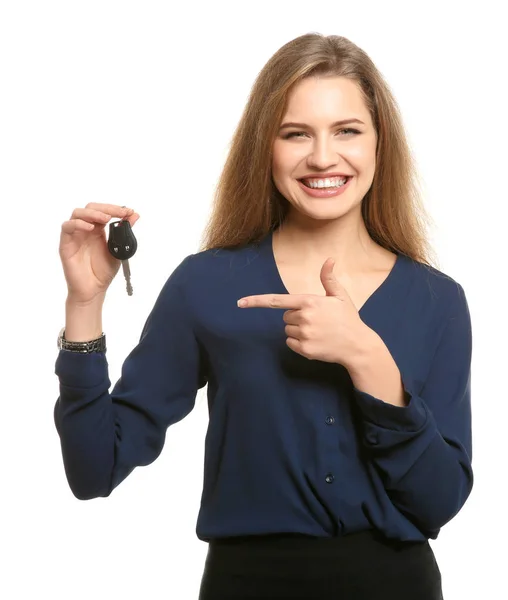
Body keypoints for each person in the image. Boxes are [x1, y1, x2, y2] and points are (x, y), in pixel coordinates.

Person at [54, 33, 473, 600]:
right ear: (265, 148)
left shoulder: (437, 301)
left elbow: (439, 501)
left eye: (347, 130)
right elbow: (93, 469)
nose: (323, 157)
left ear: (380, 145)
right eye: (295, 133)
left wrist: (366, 356)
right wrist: (85, 305)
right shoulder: (206, 284)